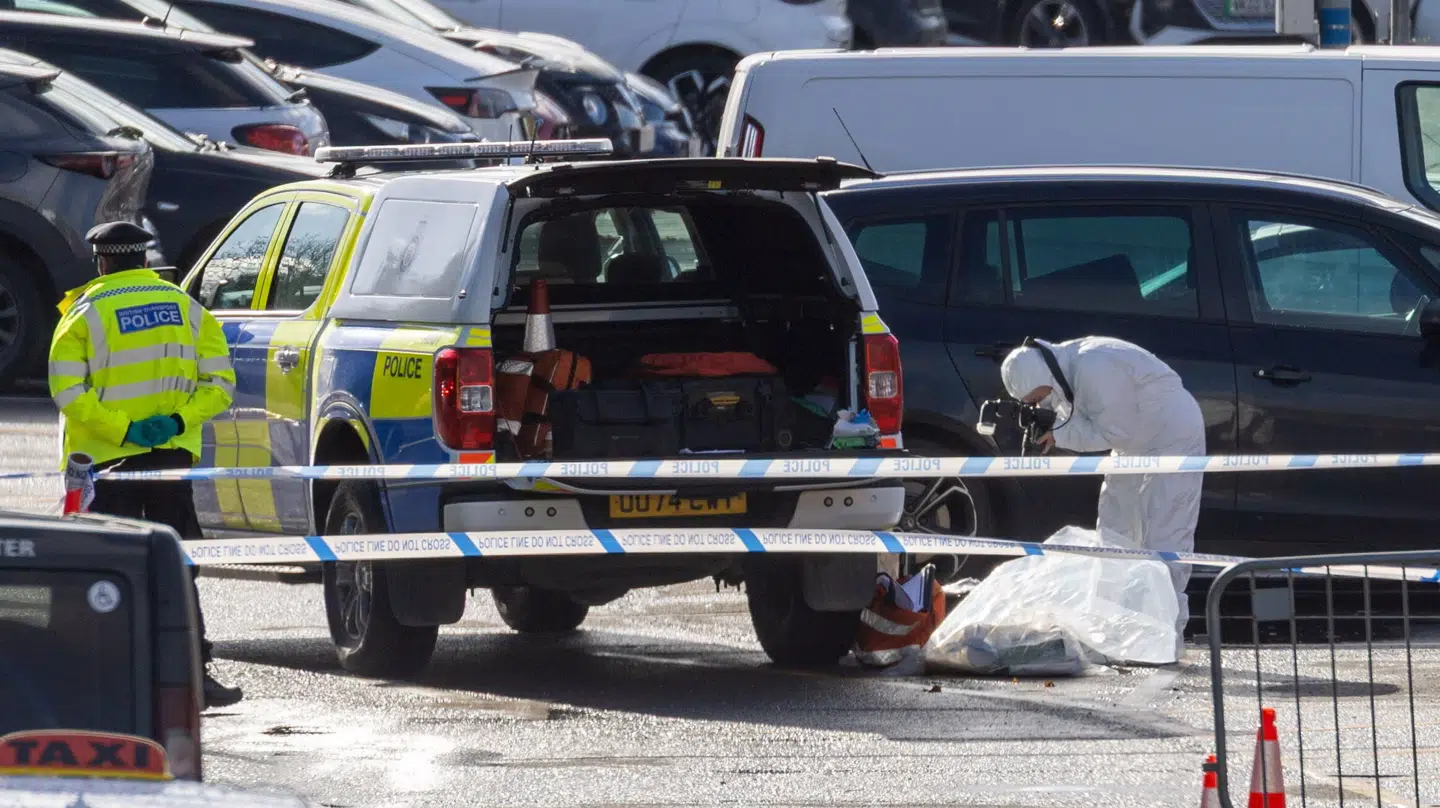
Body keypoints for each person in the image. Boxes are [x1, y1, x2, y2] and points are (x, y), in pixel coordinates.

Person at [48, 221, 242, 708]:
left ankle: (100, 679)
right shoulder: (187, 308)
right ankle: (194, 675)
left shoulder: (85, 312)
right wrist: (176, 421)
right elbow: (220, 384)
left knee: (102, 568)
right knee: (176, 566)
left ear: (103, 261)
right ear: (145, 259)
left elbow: (68, 391)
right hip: (170, 458)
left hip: (103, 462)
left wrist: (123, 430)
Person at [1000, 336, 1205, 641]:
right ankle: (1115, 626)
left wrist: (1059, 434)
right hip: (1134, 443)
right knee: (1114, 526)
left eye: (1037, 397)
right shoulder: (1061, 371)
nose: (1038, 404)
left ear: (1043, 378)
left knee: (1165, 527)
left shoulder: (1094, 366)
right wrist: (1052, 426)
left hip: (1172, 436)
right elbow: (1102, 426)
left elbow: (1114, 432)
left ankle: (1164, 634)